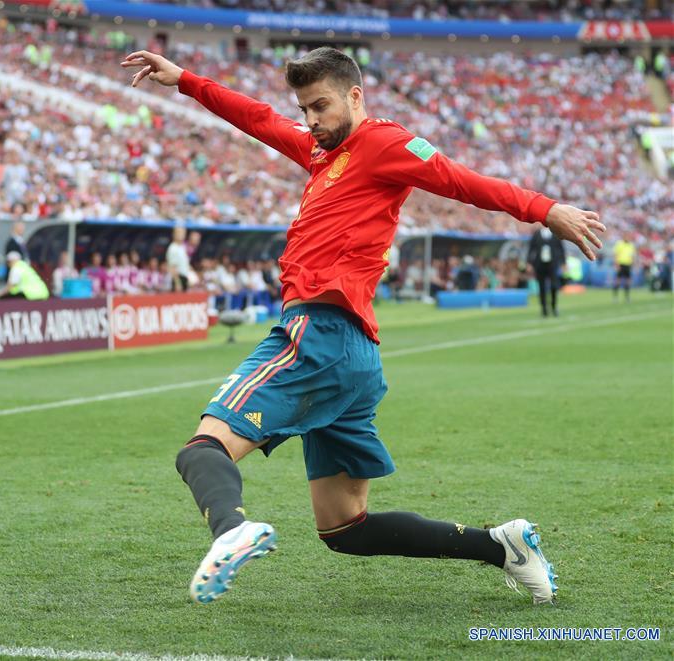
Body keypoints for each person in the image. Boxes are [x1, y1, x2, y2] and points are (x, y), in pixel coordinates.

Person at [123, 46, 606, 606]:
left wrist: (546, 210)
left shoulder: (384, 142)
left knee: (201, 448)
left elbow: (459, 180)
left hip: (317, 333)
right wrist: (183, 79)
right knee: (345, 529)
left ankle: (230, 529)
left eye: (321, 106)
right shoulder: (318, 150)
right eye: (304, 108)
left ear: (355, 95)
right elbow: (257, 117)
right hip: (352, 357)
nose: (311, 120)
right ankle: (503, 547)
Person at [528, 225, 565, 317]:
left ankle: (553, 306)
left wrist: (563, 262)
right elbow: (531, 248)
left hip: (552, 263)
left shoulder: (555, 232)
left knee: (554, 285)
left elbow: (560, 248)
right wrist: (529, 262)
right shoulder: (537, 234)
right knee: (542, 287)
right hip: (540, 264)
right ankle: (544, 308)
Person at [612, 233, 636, 302]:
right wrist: (617, 264)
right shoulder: (619, 244)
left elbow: (632, 256)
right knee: (618, 281)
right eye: (626, 236)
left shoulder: (631, 245)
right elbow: (616, 254)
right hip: (621, 264)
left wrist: (633, 264)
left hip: (628, 264)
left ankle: (627, 297)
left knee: (628, 281)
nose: (627, 238)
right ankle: (615, 297)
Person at [166, 226, 190, 292]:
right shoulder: (173, 248)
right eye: (179, 233)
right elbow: (172, 266)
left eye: (183, 233)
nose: (181, 235)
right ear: (174, 234)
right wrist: (177, 282)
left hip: (184, 277)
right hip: (177, 279)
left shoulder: (182, 247)